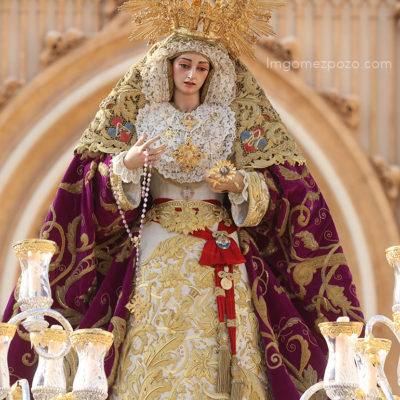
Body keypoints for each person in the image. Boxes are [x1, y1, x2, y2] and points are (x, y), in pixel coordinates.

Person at [3, 1, 364, 399]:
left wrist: (241, 185)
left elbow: (284, 193)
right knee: (152, 329)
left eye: (201, 67)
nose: (192, 75)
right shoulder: (143, 118)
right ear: (168, 66)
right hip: (157, 245)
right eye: (184, 65)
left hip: (221, 247)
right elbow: (90, 187)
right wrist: (127, 164)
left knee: (226, 339)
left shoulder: (232, 123)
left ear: (213, 73)